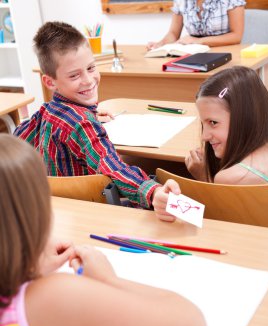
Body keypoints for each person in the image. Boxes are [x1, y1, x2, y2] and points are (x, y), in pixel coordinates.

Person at [0, 134, 206, 326]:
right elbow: (191, 324)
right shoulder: (56, 298)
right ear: (35, 214)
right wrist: (109, 280)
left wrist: (26, 265)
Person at [14, 21, 160, 209]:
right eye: (74, 76)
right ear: (49, 82)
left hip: (57, 210)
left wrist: (89, 115)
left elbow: (16, 141)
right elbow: (111, 167)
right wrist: (152, 191)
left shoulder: (47, 111)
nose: (88, 80)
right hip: (89, 212)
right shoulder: (82, 123)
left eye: (91, 68)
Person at [153, 66, 268, 222]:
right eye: (203, 124)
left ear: (243, 118)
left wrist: (204, 177)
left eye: (213, 123)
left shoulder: (233, 177)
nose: (204, 136)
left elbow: (210, 221)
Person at [147, 0, 246, 50]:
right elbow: (173, 33)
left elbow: (236, 36)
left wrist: (199, 41)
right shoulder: (182, 1)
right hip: (194, 53)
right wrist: (160, 44)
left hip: (225, 51)